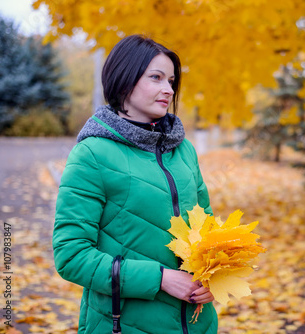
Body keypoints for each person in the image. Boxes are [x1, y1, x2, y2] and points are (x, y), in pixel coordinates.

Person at [53, 35, 217, 334]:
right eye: (155, 78)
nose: (168, 89)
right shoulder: (92, 153)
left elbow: (206, 233)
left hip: (197, 324)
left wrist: (212, 278)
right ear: (124, 81)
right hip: (123, 324)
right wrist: (161, 279)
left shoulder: (184, 151)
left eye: (171, 80)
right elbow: (71, 255)